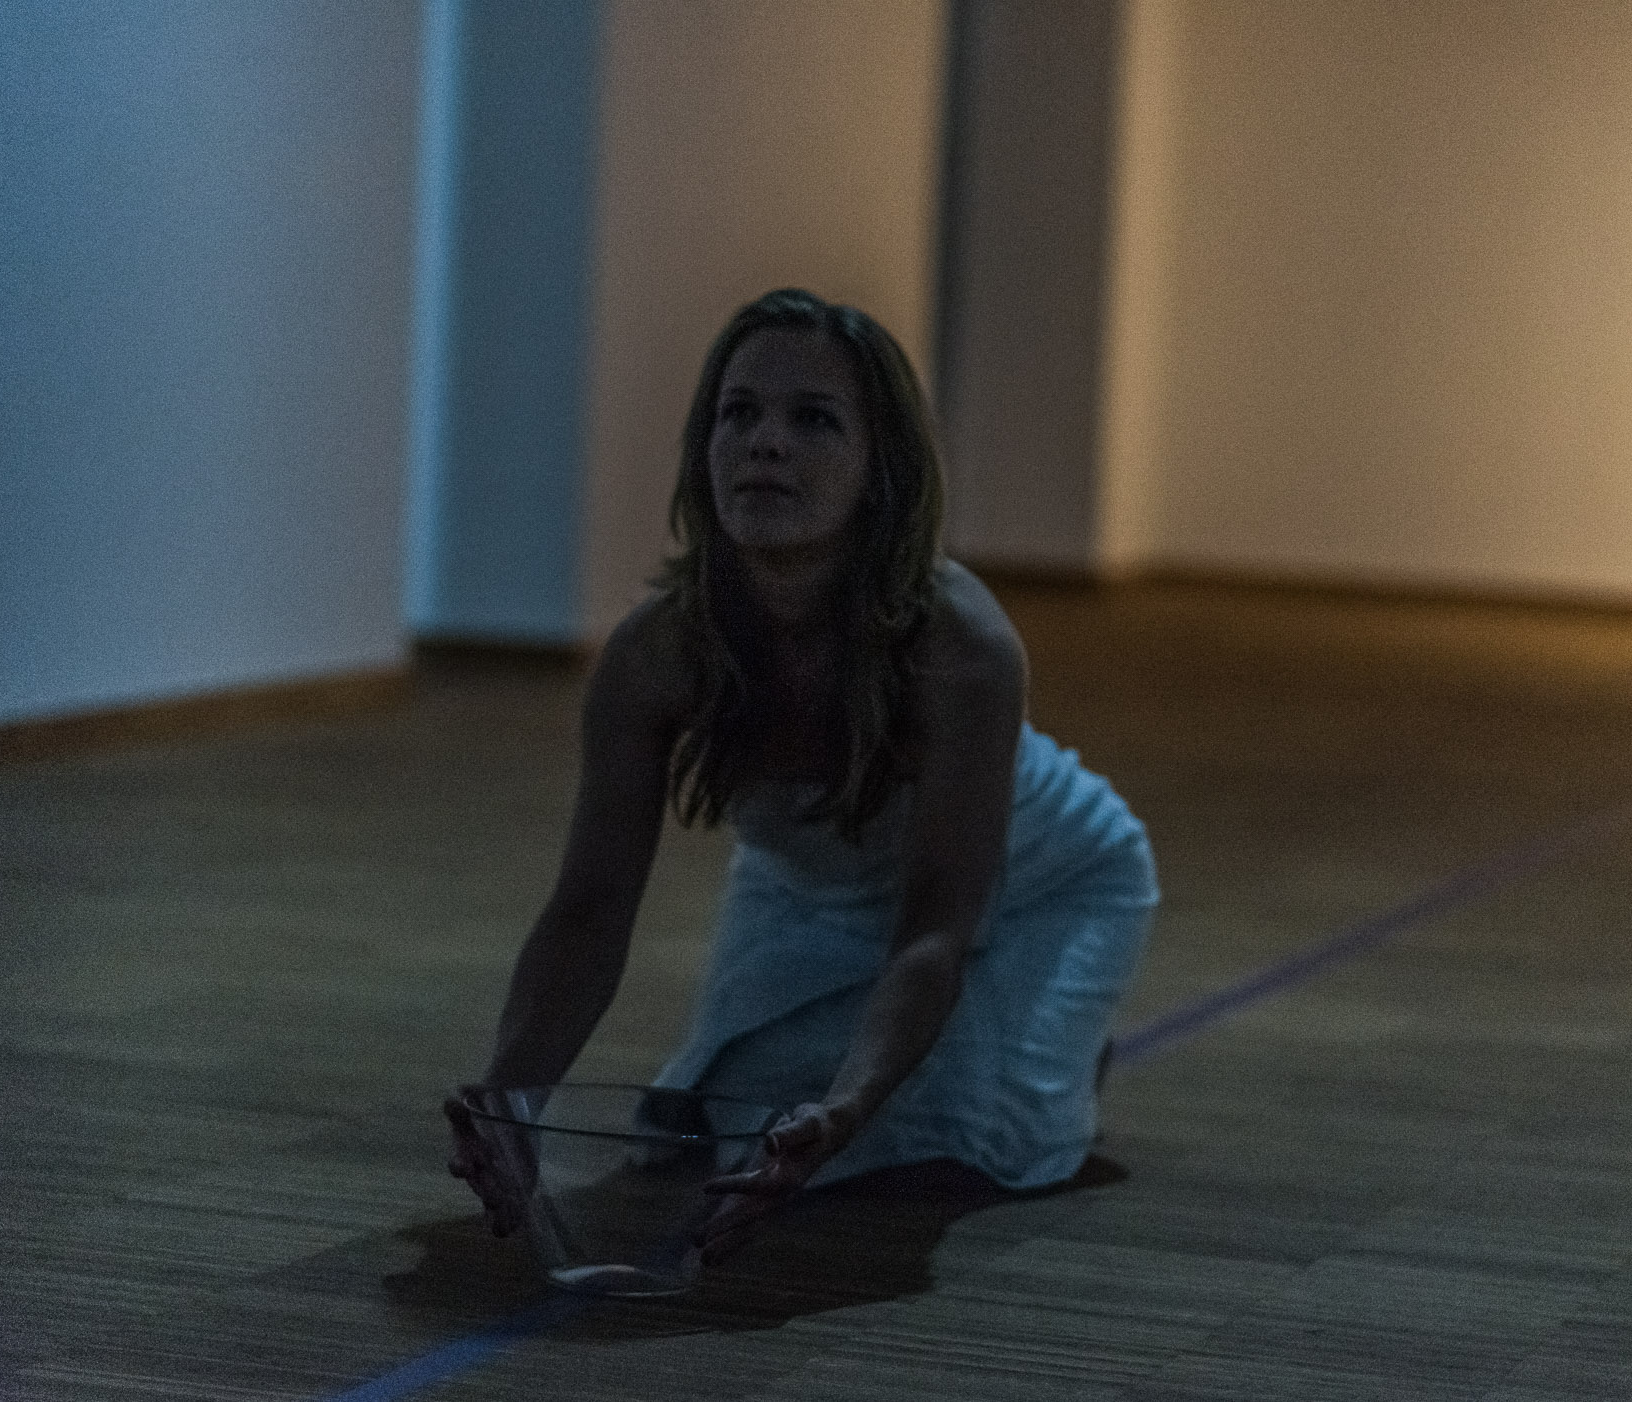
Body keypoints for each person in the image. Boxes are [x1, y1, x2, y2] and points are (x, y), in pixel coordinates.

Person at [443, 288, 1158, 1266]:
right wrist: (510, 1101)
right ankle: (977, 1048)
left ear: (880, 469)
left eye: (813, 419)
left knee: (971, 1141)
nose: (766, 443)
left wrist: (849, 1106)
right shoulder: (657, 653)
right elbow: (589, 911)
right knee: (722, 1127)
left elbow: (937, 927)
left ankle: (1056, 1057)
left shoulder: (961, 646)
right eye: (738, 413)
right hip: (805, 889)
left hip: (1039, 887)